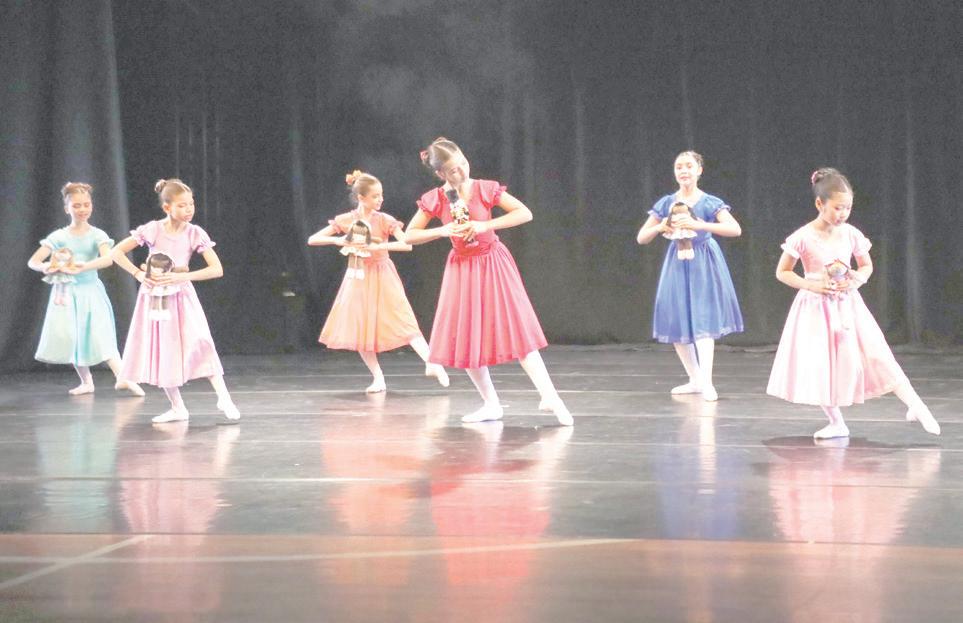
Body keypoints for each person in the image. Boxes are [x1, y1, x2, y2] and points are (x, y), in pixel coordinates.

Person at [405, 137, 572, 425]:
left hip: (492, 261)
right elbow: (409, 235)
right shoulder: (436, 198)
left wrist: (485, 225)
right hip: (462, 269)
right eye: (453, 170)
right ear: (441, 173)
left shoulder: (484, 188)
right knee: (468, 339)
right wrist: (442, 231)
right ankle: (490, 403)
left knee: (518, 330)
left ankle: (550, 396)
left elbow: (524, 213)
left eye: (463, 163)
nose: (462, 171)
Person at [766, 168, 940, 438]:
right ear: (820, 204)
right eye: (837, 208)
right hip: (815, 308)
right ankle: (836, 421)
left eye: (847, 208)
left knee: (877, 353)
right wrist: (812, 285)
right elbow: (782, 272)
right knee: (822, 364)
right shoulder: (802, 237)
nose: (843, 213)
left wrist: (857, 280)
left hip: (848, 305)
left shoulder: (850, 234)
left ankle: (916, 404)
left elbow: (866, 265)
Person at [111, 179, 240, 423]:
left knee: (201, 341)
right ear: (167, 207)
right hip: (155, 299)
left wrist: (182, 276)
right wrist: (138, 273)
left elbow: (216, 269)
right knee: (163, 349)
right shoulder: (153, 229)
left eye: (191, 204)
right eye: (182, 205)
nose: (189, 209)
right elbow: (116, 252)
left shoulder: (194, 233)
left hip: (182, 296)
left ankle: (224, 397)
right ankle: (177, 406)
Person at [308, 170, 449, 393]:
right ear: (361, 198)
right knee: (361, 329)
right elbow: (313, 239)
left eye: (381, 195)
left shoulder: (384, 220)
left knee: (404, 319)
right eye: (375, 196)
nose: (380, 199)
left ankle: (432, 362)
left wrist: (378, 246)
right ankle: (378, 378)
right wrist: (339, 240)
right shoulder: (347, 220)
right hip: (358, 276)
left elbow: (407, 244)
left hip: (383, 274)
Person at [636, 151, 743, 401]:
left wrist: (700, 225)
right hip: (677, 262)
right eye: (679, 167)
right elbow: (642, 237)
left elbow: (735, 229)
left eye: (689, 166)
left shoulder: (709, 202)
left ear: (699, 171)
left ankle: (707, 382)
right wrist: (660, 226)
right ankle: (695, 378)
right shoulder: (667, 203)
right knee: (678, 319)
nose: (683, 171)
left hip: (703, 262)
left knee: (703, 320)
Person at [27, 182, 143, 396]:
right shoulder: (59, 237)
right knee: (75, 336)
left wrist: (83, 266)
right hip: (66, 294)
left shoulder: (97, 234)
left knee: (102, 333)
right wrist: (49, 266)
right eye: (76, 205)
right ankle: (86, 381)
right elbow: (33, 261)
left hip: (91, 291)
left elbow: (108, 259)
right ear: (67, 208)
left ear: (92, 206)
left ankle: (122, 377)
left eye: (86, 205)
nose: (82, 209)